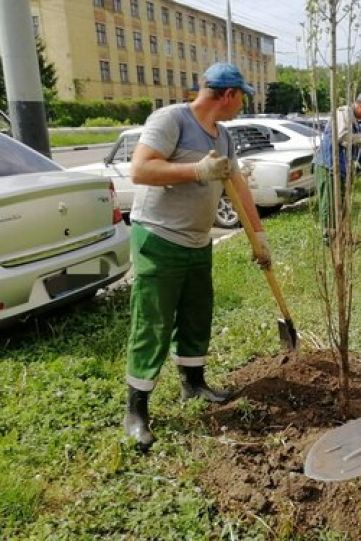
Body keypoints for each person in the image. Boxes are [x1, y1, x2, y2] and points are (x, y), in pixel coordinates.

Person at [123, 63, 272, 452]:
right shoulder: (170, 119)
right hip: (158, 239)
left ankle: (194, 384)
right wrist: (197, 170)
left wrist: (259, 236)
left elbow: (237, 187)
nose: (243, 105)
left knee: (196, 313)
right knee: (153, 322)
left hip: (196, 242)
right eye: (243, 97)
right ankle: (136, 410)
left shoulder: (223, 137)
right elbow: (139, 169)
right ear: (228, 95)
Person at [314, 92, 361, 243]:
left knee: (340, 203)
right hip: (328, 164)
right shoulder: (343, 113)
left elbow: (357, 151)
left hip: (340, 168)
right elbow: (342, 138)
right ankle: (328, 237)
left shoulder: (356, 124)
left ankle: (338, 235)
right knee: (330, 203)